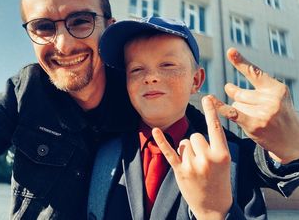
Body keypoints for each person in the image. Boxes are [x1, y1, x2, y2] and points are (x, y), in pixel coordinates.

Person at [0, 0, 297, 219]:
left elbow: (248, 158)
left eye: (81, 21)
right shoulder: (26, 92)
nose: (64, 44)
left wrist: (288, 145)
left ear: (106, 26)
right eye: (43, 26)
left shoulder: (150, 102)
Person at [87, 16, 299, 219]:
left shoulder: (229, 159)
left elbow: (275, 163)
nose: (150, 77)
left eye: (167, 65)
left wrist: (215, 213)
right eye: (136, 69)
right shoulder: (102, 151)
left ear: (196, 80)